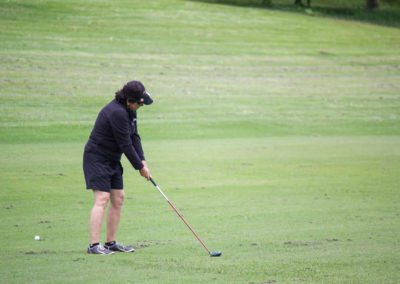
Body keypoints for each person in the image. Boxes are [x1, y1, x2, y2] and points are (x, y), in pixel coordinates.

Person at [83, 80, 153, 255]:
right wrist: (139, 167)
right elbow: (126, 145)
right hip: (97, 158)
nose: (140, 107)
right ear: (130, 100)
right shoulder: (117, 113)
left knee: (118, 198)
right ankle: (93, 245)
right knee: (102, 198)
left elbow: (134, 136)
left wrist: (143, 161)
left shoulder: (130, 110)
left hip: (112, 159)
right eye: (139, 104)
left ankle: (110, 242)